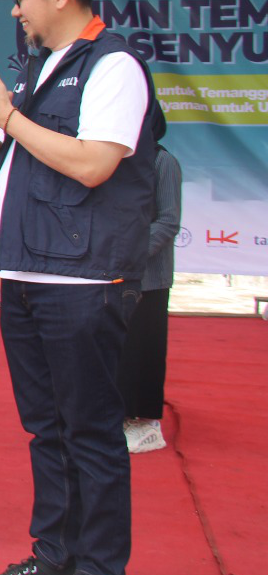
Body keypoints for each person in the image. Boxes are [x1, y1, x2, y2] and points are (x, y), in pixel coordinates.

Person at [0, 0, 158, 575]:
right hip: (27, 271)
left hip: (81, 278)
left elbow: (95, 164)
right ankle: (56, 554)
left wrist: (10, 117)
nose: (17, 11)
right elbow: (17, 170)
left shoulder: (113, 65)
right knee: (46, 428)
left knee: (90, 429)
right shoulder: (45, 67)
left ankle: (104, 574)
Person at [120, 125, 180, 454]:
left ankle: (144, 422)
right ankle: (116, 415)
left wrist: (133, 252)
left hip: (149, 276)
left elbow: (169, 220)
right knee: (113, 348)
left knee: (142, 350)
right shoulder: (114, 159)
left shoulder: (162, 162)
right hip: (110, 272)